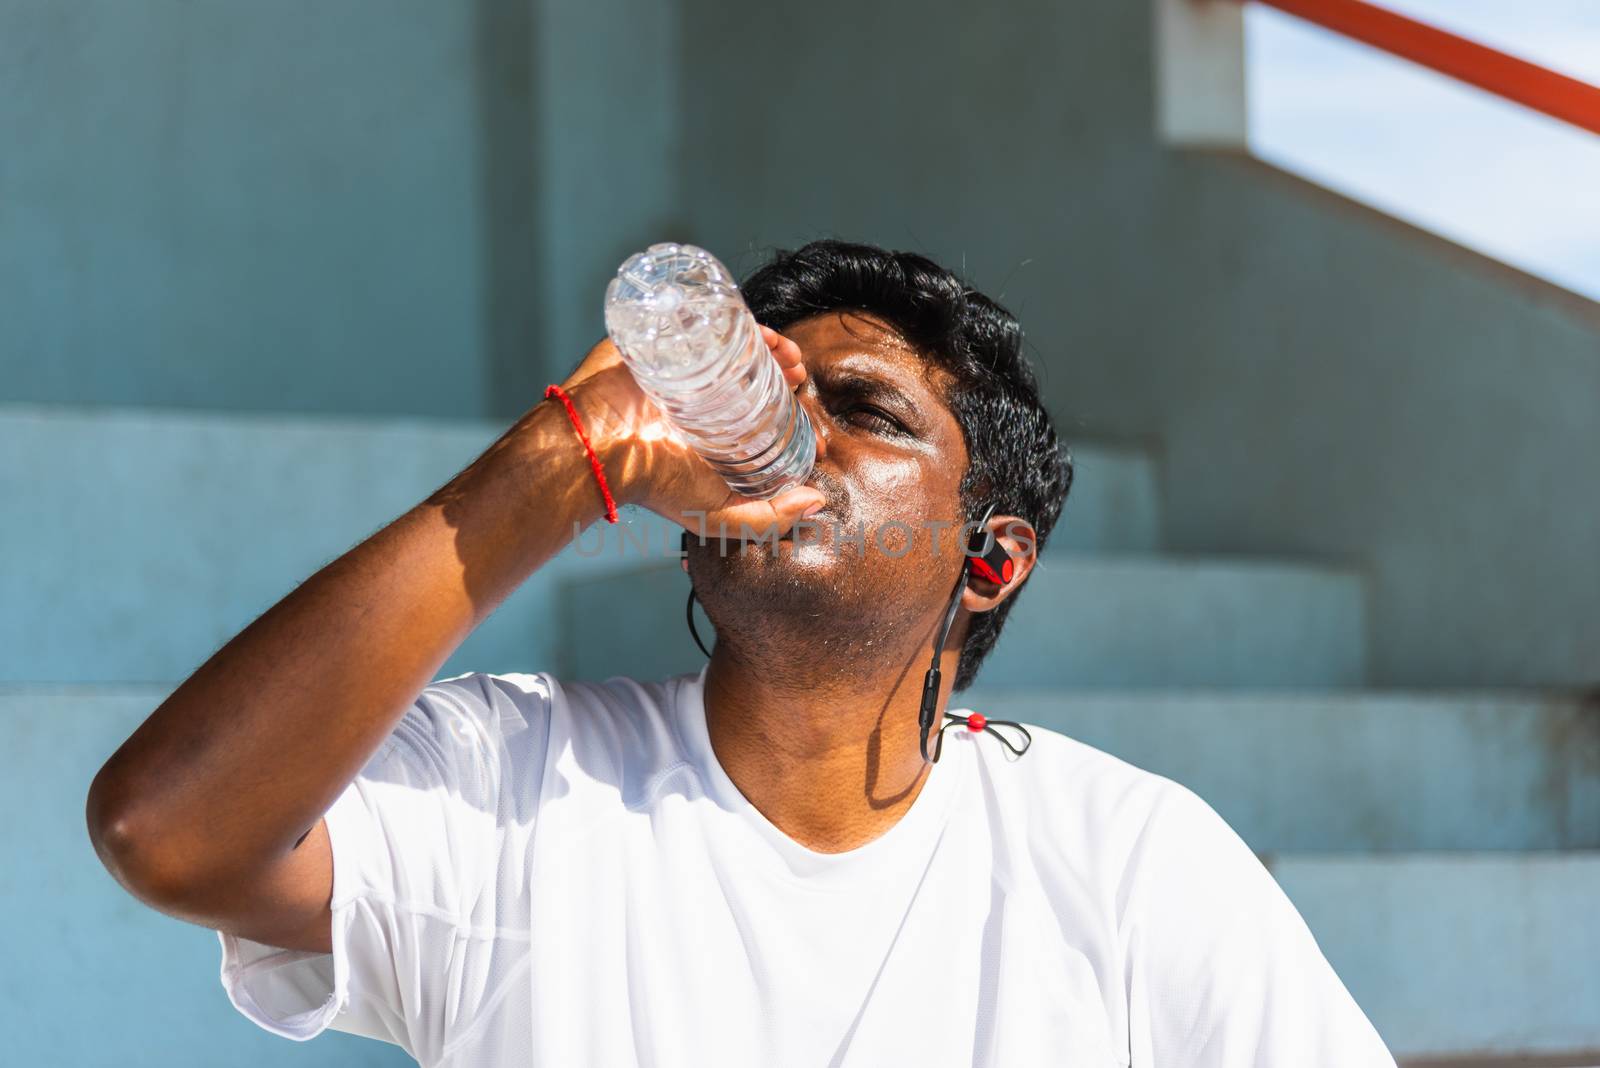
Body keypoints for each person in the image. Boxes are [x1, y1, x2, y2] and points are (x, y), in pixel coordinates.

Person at [86, 240, 1396, 1066]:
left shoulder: (1130, 867)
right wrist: (557, 464)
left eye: (867, 411)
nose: (791, 438)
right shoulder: (511, 788)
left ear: (988, 558)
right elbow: (166, 832)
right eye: (774, 398)